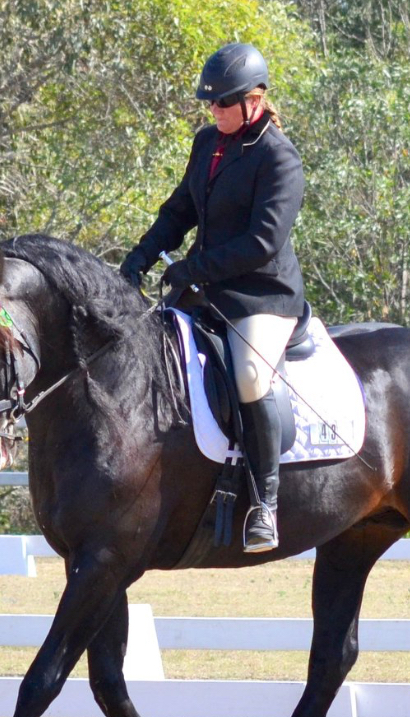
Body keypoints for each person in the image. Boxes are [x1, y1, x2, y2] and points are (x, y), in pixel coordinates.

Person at [120, 43, 305, 553]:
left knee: (248, 376)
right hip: (201, 289)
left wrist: (192, 268)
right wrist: (141, 255)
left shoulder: (279, 158)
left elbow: (261, 243)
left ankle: (264, 504)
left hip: (261, 295)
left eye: (222, 103)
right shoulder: (209, 143)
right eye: (210, 104)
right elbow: (179, 212)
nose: (213, 111)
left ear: (254, 99)